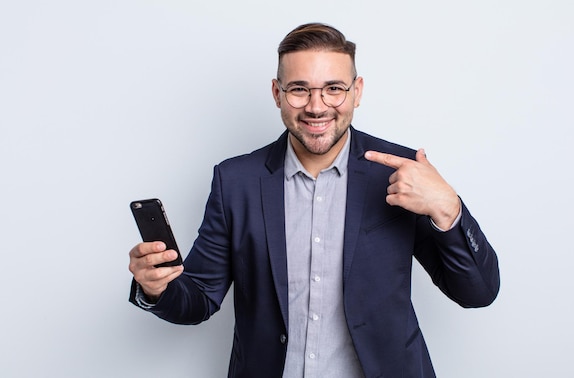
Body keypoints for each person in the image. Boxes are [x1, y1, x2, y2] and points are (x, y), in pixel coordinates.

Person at [128, 22, 500, 378]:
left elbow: (477, 293)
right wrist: (155, 287)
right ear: (277, 93)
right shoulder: (235, 181)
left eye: (334, 88)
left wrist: (449, 208)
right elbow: (198, 300)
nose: (317, 107)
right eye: (299, 89)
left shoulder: (400, 172)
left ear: (357, 92)